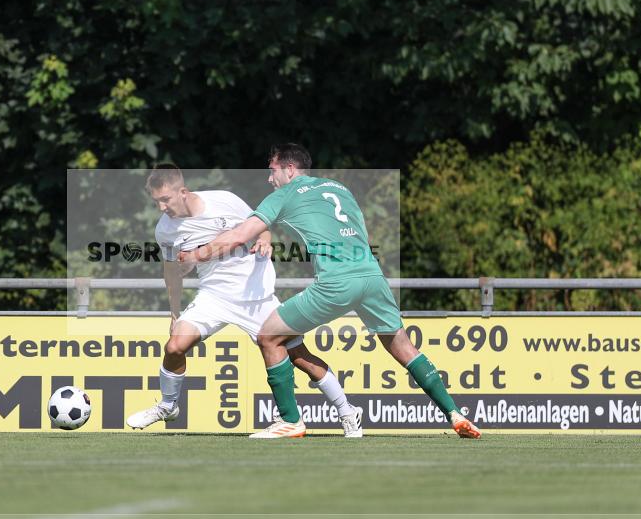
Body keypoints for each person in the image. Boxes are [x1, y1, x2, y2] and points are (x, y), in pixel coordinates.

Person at [179, 144, 481, 439]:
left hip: (337, 282)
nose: (269, 179)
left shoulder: (286, 193)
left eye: (272, 171)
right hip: (372, 277)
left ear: (290, 169)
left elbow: (240, 234)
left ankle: (290, 421)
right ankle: (454, 413)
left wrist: (199, 254)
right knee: (403, 346)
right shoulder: (339, 188)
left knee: (268, 336)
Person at [126, 164, 364, 438]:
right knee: (175, 346)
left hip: (256, 297)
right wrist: (174, 312)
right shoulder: (165, 230)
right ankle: (168, 406)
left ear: (183, 192)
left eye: (165, 199)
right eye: (156, 202)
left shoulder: (223, 200)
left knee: (301, 357)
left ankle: (348, 412)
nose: (161, 208)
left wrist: (265, 241)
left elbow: (261, 225)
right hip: (213, 297)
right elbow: (170, 270)